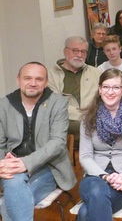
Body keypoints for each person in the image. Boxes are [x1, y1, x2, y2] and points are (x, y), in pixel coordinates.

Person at [0, 62, 77, 220]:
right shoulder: (4, 105)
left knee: (8, 207)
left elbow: (57, 143)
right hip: (11, 166)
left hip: (49, 167)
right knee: (14, 182)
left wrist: (25, 163)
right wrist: (3, 164)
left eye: (39, 79)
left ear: (46, 82)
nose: (33, 83)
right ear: (18, 80)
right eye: (27, 78)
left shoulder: (58, 103)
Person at [77, 68, 122, 221]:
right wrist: (105, 176)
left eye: (116, 87)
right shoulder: (88, 117)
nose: (110, 92)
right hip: (95, 175)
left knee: (85, 213)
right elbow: (84, 156)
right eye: (106, 87)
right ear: (99, 89)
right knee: (97, 190)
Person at [49, 36, 102, 141]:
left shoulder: (96, 73)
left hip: (94, 119)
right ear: (65, 51)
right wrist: (86, 115)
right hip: (67, 121)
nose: (79, 55)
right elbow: (55, 106)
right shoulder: (51, 76)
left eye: (83, 52)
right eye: (75, 51)